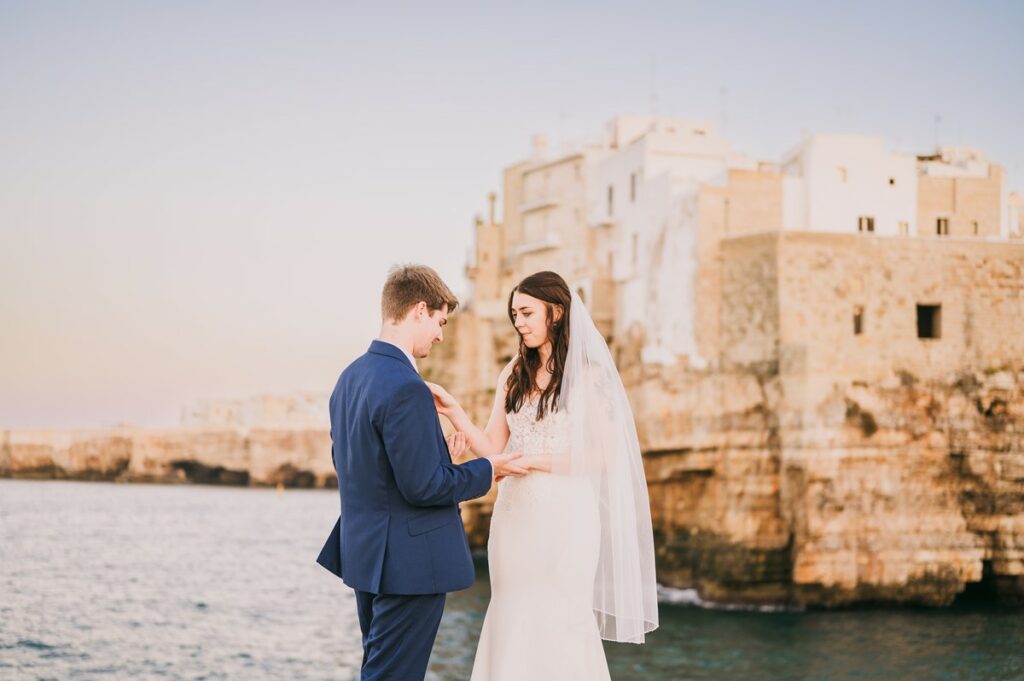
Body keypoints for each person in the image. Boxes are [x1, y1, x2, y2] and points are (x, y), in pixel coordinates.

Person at [428, 270, 659, 680]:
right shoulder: (513, 371)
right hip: (515, 519)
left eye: (527, 312)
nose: (519, 322)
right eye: (514, 314)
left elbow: (602, 455)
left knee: (562, 614)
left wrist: (533, 461)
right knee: (511, 609)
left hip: (567, 516)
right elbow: (494, 447)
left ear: (556, 311)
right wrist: (453, 411)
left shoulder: (589, 374)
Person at [316, 264, 529, 681]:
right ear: (418, 310)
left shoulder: (350, 378)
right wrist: (488, 468)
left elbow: (354, 465)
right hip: (408, 567)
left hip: (366, 557)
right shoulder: (407, 386)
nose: (440, 335)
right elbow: (424, 487)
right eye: (439, 321)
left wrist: (440, 460)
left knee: (378, 671)